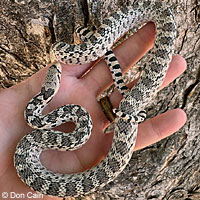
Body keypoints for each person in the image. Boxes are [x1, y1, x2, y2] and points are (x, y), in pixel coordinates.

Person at [0, 23, 187, 199]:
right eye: (57, 75)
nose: (56, 70)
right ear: (50, 89)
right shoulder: (35, 120)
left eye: (56, 74)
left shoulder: (38, 115)